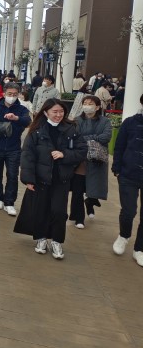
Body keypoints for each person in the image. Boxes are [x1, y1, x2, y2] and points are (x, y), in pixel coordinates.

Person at [20, 98, 86, 259]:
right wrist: (28, 179)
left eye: (61, 112)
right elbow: (27, 156)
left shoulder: (71, 129)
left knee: (58, 211)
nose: (58, 115)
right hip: (41, 178)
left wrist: (65, 154)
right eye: (55, 112)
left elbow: (82, 150)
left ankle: (57, 241)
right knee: (41, 210)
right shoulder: (36, 130)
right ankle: (41, 238)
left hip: (61, 179)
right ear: (46, 112)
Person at [0, 82, 31, 216]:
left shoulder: (22, 110)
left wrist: (16, 118)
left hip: (14, 148)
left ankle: (9, 202)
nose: (12, 96)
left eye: (15, 94)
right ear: (4, 94)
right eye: (9, 94)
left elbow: (28, 122)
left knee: (12, 175)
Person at [69, 95, 111, 229]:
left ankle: (90, 202)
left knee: (93, 189)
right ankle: (79, 217)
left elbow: (106, 137)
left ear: (97, 107)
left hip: (96, 160)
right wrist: (94, 138)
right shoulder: (77, 120)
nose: (87, 105)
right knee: (77, 190)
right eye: (85, 103)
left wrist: (87, 138)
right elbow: (75, 137)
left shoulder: (105, 121)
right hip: (80, 160)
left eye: (90, 103)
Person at [111, 93, 143, 267]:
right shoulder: (130, 122)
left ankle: (140, 249)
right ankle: (124, 236)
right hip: (128, 173)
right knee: (129, 210)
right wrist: (117, 168)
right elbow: (119, 146)